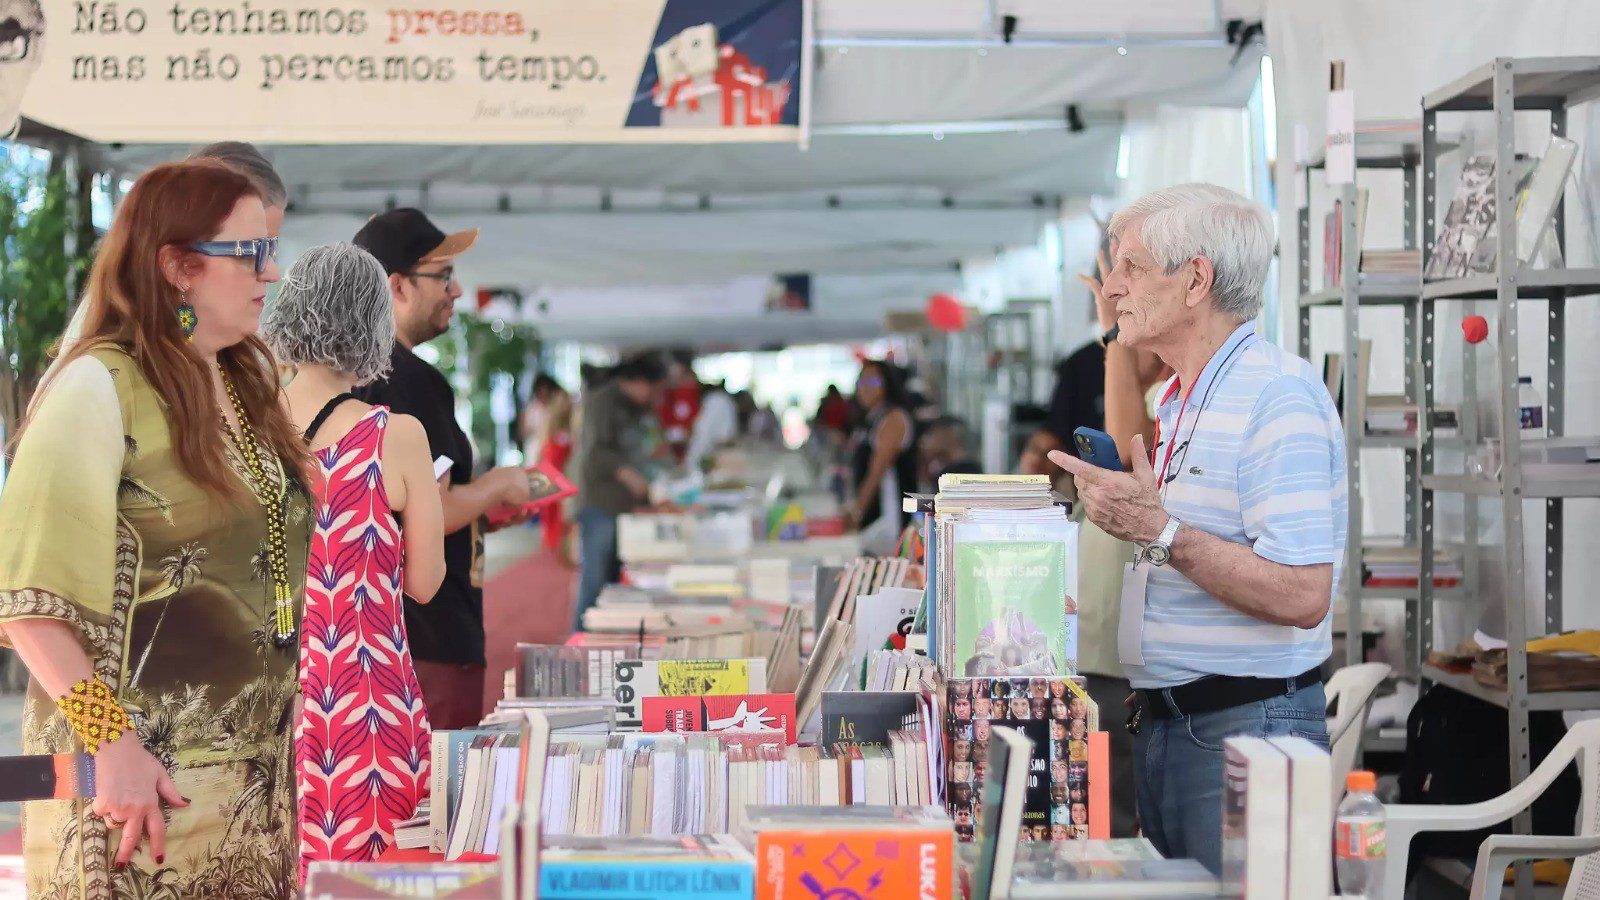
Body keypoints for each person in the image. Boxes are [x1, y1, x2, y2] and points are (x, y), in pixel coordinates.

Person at [0, 160, 312, 897]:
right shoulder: (96, 386)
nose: (272, 272)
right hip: (137, 802)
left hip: (253, 802)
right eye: (252, 253)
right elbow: (28, 603)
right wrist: (114, 745)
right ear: (177, 266)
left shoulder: (238, 384)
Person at [1051, 184, 1345, 874]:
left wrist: (1159, 529)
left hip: (1244, 728)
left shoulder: (1276, 397)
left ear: (1195, 280)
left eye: (1131, 267)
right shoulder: (1184, 395)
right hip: (1175, 723)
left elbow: (1305, 594)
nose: (1114, 287)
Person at [263, 242, 444, 873]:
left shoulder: (246, 429)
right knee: (381, 874)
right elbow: (425, 582)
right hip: (368, 701)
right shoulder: (397, 436)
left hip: (272, 694)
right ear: (373, 324)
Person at [353, 208, 535, 730]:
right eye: (443, 277)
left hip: (373, 633)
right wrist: (499, 484)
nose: (455, 292)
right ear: (397, 287)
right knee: (437, 803)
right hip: (429, 636)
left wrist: (481, 506)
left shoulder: (351, 375)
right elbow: (428, 512)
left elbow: (390, 505)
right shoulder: (410, 379)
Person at [1067, 233, 1176, 840]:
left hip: (1121, 655)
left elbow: (1126, 452)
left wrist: (1115, 338)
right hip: (1098, 643)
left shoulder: (1174, 398)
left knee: (1116, 815)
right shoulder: (1154, 391)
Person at [571, 354, 666, 631]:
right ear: (637, 382)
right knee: (595, 580)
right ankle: (580, 640)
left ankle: (603, 636)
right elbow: (596, 452)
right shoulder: (602, 402)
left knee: (613, 581)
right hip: (601, 504)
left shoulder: (634, 407)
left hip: (622, 506)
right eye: (654, 387)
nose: (655, 395)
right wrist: (627, 473)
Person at [846, 359, 917, 535]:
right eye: (861, 381)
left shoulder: (893, 418)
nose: (865, 387)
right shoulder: (870, 419)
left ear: (887, 383)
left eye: (873, 381)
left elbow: (877, 471)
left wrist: (857, 512)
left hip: (890, 517)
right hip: (874, 516)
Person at [685, 380, 738, 474]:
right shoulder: (720, 401)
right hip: (704, 461)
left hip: (701, 461)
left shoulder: (715, 402)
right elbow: (725, 439)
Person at [917, 416, 982, 491]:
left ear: (948, 435)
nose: (923, 440)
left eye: (931, 434)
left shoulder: (965, 473)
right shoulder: (941, 470)